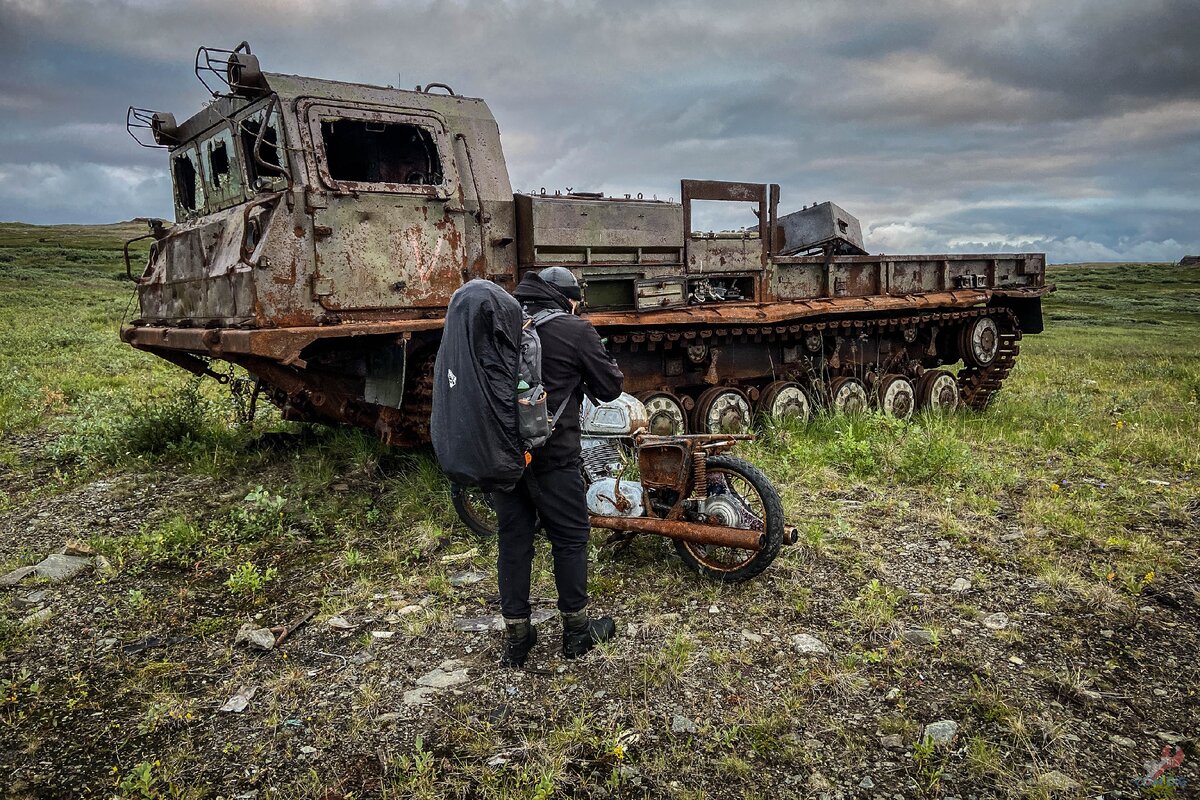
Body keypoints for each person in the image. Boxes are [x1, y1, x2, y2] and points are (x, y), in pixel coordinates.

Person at [493, 266, 625, 666]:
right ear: (567, 298)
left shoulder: (502, 324)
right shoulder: (575, 329)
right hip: (554, 457)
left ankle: (517, 638)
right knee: (569, 539)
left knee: (514, 541)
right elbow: (609, 388)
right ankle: (577, 633)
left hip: (505, 458)